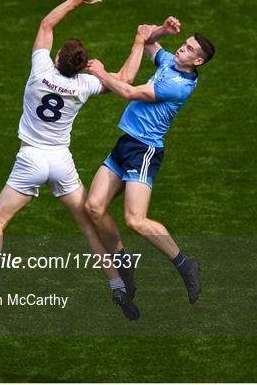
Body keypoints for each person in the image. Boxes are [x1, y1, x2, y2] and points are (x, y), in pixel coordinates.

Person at [0, 0, 149, 320]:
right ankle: (117, 288)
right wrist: (136, 43)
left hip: (30, 159)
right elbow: (124, 76)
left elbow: (47, 24)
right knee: (87, 228)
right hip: (61, 163)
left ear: (58, 57)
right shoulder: (84, 85)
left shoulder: (40, 70)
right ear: (79, 66)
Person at [85, 18, 215, 304]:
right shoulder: (170, 62)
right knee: (94, 207)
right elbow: (147, 39)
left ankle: (185, 265)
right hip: (126, 143)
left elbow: (129, 92)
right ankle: (123, 259)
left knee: (135, 219)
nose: (181, 48)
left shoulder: (179, 85)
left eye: (188, 48)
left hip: (144, 150)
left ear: (199, 61)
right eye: (183, 44)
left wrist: (102, 72)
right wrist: (163, 31)